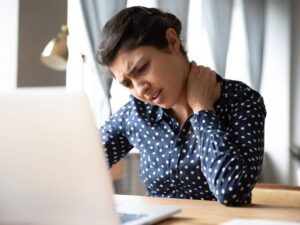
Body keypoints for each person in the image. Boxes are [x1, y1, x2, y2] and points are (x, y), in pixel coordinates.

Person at [97, 6, 266, 206]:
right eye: (127, 83)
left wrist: (203, 109)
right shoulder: (135, 114)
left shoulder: (240, 100)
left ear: (172, 41)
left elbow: (231, 191)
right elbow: (83, 165)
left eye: (142, 68)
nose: (140, 89)